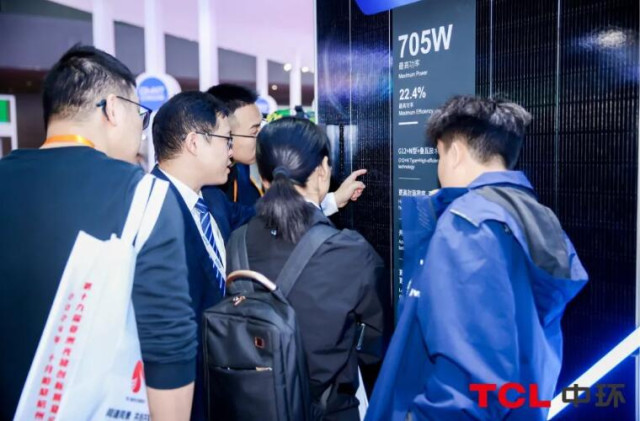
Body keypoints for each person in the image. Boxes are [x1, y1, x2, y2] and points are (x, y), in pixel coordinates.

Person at [0, 45, 197, 421]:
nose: (141, 131)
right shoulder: (144, 195)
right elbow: (168, 343)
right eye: (139, 114)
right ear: (113, 109)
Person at [365, 96, 589, 421]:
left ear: (454, 152)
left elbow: (469, 385)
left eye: (439, 154)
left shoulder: (468, 226)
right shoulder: (536, 217)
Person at [232, 117, 389, 421]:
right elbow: (374, 341)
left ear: (263, 178)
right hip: (329, 409)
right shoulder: (349, 250)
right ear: (323, 169)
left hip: (253, 406)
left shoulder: (236, 242)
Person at [150, 91, 233, 421]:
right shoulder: (147, 208)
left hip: (218, 384)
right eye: (226, 140)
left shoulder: (213, 199)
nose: (231, 150)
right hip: (178, 393)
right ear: (195, 142)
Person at [203, 83, 366, 233]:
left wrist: (333, 200)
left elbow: (266, 217)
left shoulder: (240, 171)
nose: (261, 137)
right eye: (254, 131)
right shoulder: (208, 188)